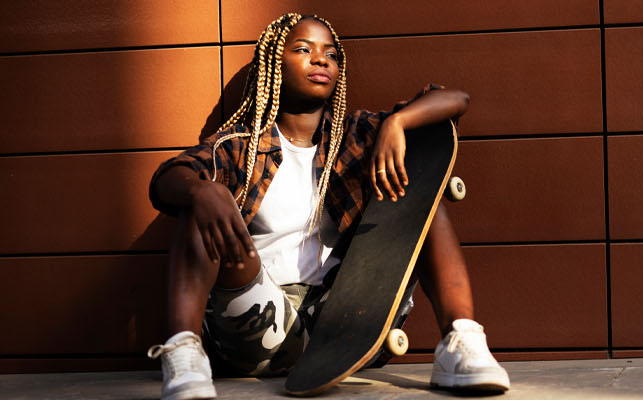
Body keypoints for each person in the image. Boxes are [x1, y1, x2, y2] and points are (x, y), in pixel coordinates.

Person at [144, 13, 509, 400]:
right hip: (257, 325)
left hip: (344, 330)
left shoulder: (358, 137)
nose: (321, 60)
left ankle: (461, 341)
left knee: (423, 193)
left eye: (330, 54)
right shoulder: (238, 147)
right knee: (202, 196)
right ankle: (184, 353)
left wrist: (397, 123)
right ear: (273, 65)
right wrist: (202, 192)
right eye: (303, 49)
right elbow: (168, 179)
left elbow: (456, 100)